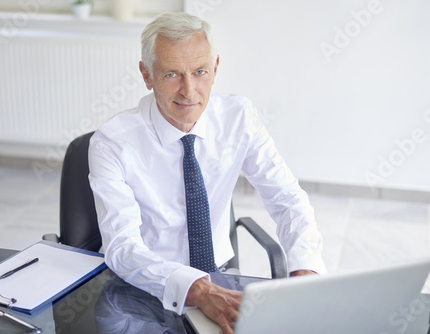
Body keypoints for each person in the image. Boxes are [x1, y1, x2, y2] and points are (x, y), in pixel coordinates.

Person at [88, 11, 326, 334]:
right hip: (142, 289)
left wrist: (304, 270)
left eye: (199, 72)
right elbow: (122, 246)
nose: (189, 91)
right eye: (172, 74)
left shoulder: (239, 118)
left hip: (219, 275)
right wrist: (197, 289)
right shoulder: (112, 143)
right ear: (146, 75)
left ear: (215, 69)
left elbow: (288, 199)